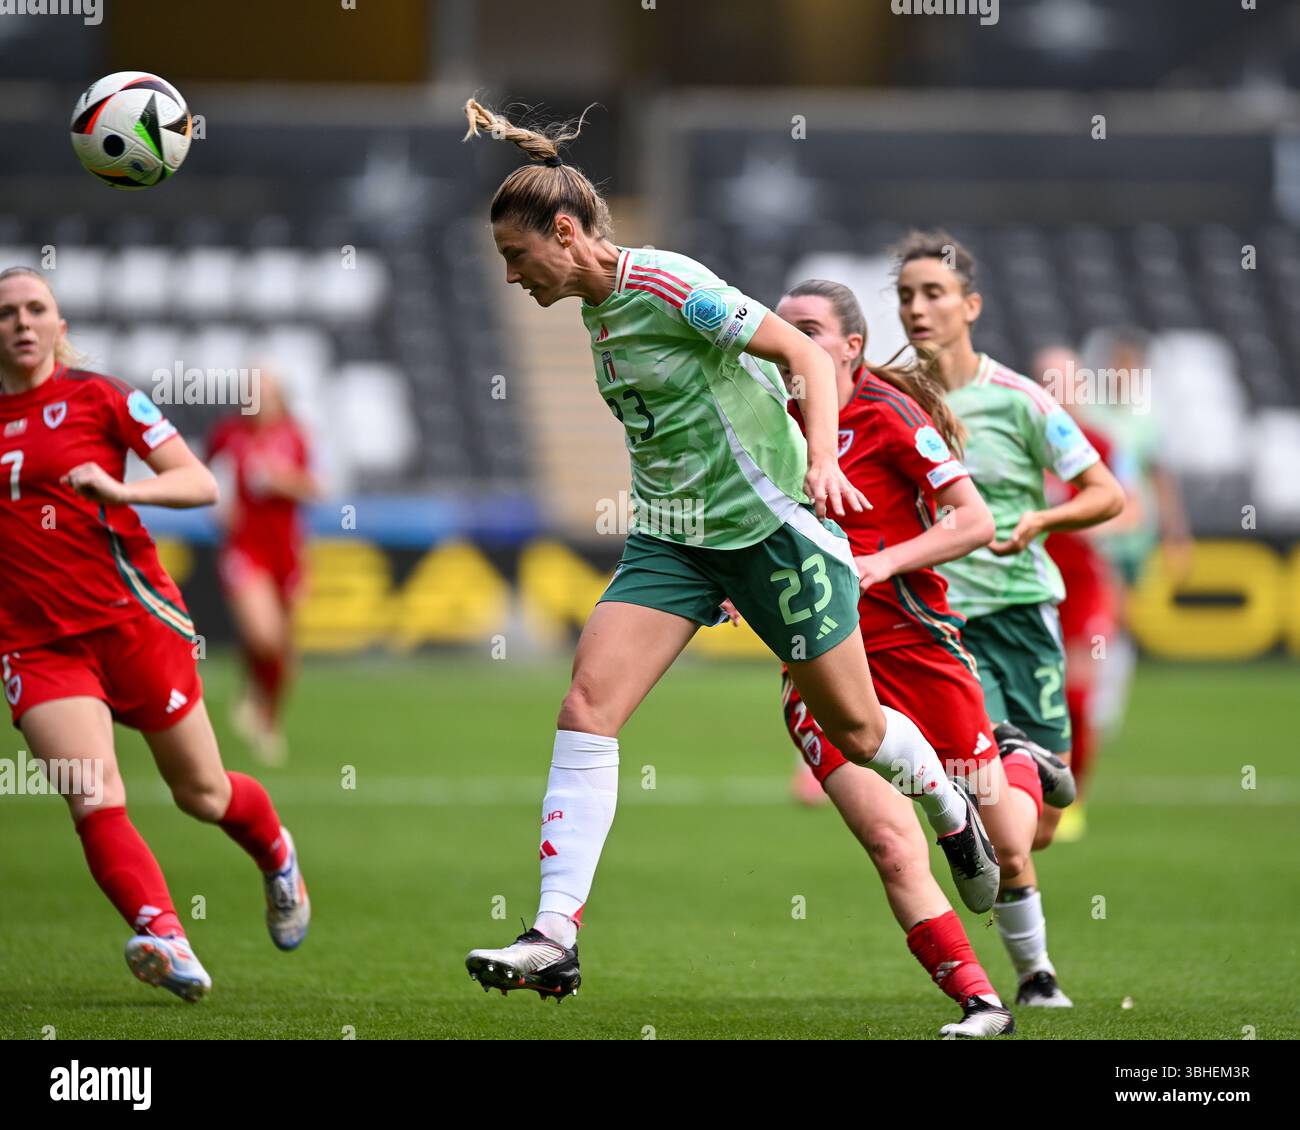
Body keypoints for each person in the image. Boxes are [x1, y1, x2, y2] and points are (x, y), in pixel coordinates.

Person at [459, 101, 999, 1003]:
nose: (512, 277)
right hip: (675, 542)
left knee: (859, 732)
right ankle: (555, 932)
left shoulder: (670, 286)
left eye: (518, 257)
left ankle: (948, 806)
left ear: (564, 231)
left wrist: (824, 459)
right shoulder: (595, 313)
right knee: (586, 707)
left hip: (772, 531)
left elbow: (805, 356)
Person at [0, 265, 310, 1002]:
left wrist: (122, 488)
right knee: (93, 793)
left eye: (35, 308)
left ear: (60, 326)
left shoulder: (100, 397)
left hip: (131, 622)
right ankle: (166, 935)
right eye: (5, 312)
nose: (20, 322)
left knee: (200, 793)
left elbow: (199, 482)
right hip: (36, 643)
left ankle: (276, 853)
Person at [766, 278, 1059, 1037]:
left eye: (811, 330)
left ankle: (1020, 760)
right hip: (823, 663)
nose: (792, 343)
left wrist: (882, 563)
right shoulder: (767, 421)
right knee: (894, 846)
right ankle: (981, 1002)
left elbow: (974, 520)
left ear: (851, 346)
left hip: (917, 649)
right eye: (783, 328)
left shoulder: (886, 413)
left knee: (1011, 849)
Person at [893, 232, 1125, 1006]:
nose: (918, 308)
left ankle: (1030, 767)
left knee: (1038, 830)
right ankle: (1037, 978)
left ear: (971, 306)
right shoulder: (891, 398)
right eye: (906, 295)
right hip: (942, 624)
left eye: (933, 293)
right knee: (997, 825)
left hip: (1022, 614)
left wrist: (1039, 524)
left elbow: (1106, 493)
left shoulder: (1020, 399)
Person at [207, 371, 319, 765]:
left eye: (265, 393)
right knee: (264, 635)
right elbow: (200, 474)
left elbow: (314, 488)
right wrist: (217, 506)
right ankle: (253, 693)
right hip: (244, 549)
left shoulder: (295, 435)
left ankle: (267, 716)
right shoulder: (228, 434)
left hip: (285, 552)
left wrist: (281, 481)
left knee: (284, 653)